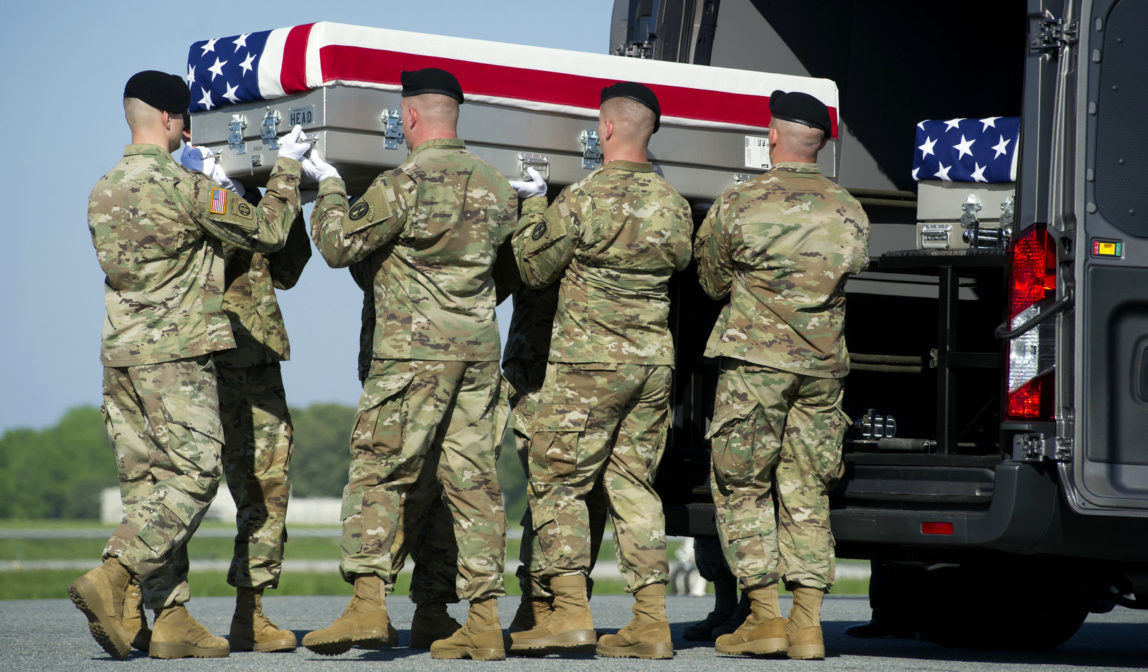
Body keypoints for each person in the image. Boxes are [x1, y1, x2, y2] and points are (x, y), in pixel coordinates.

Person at [70, 70, 306, 660]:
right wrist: (287, 167)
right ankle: (114, 572)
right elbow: (271, 231)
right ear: (174, 120)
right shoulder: (185, 188)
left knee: (146, 486)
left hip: (119, 356)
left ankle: (170, 619)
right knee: (197, 473)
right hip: (175, 357)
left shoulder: (102, 188)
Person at [301, 67, 516, 661]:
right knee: (473, 485)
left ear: (410, 118)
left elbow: (339, 247)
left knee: (379, 472)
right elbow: (511, 271)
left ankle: (368, 605)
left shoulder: (403, 183)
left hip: (411, 356)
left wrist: (331, 188)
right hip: (477, 353)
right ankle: (482, 621)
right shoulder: (498, 187)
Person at [507, 81, 693, 660]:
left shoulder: (583, 198)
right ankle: (650, 620)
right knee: (634, 485)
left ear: (605, 129)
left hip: (588, 365)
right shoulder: (676, 205)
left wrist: (535, 203)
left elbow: (532, 266)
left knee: (558, 481)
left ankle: (568, 611)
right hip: (652, 367)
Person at [693, 90, 870, 660]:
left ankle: (765, 617)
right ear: (818, 141)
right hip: (822, 368)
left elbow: (712, 279)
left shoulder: (741, 201)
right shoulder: (849, 207)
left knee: (742, 483)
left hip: (756, 365)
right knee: (807, 488)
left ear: (772, 135)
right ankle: (809, 625)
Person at [178, 127, 311, 652]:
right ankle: (158, 609)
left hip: (255, 361)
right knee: (179, 488)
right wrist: (216, 186)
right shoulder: (183, 187)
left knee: (267, 489)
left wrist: (279, 196)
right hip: (197, 361)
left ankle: (250, 613)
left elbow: (287, 268)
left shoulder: (251, 198)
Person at [346, 253, 464, 650]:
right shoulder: (476, 198)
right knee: (444, 484)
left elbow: (356, 258)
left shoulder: (395, 193)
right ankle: (427, 608)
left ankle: (373, 604)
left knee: (387, 480)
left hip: (399, 356)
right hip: (461, 354)